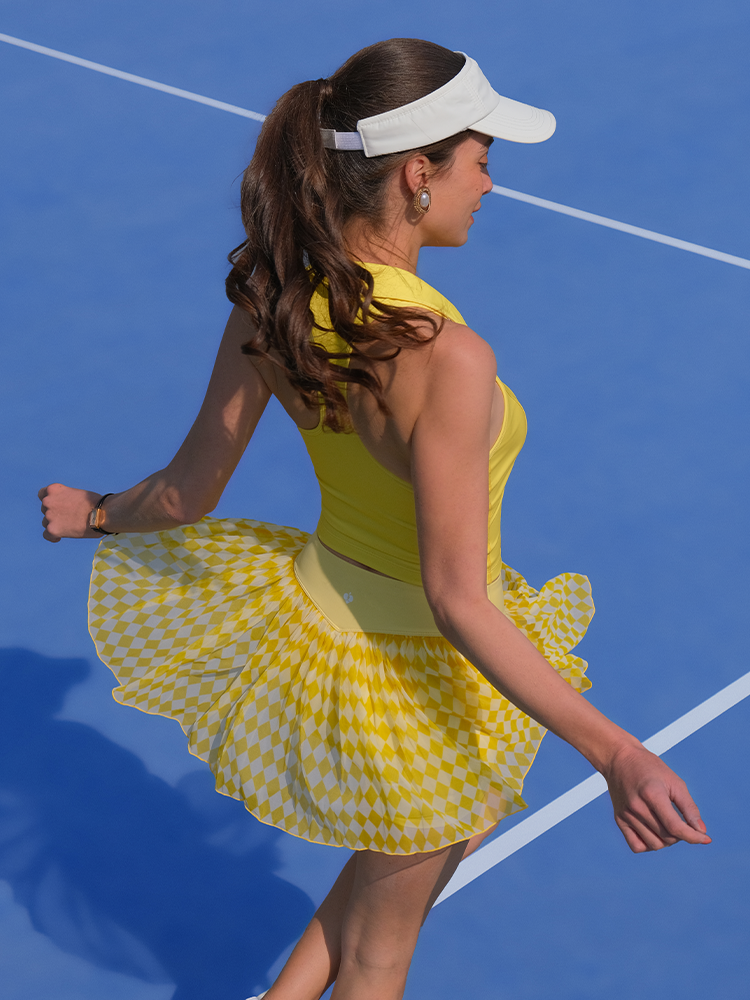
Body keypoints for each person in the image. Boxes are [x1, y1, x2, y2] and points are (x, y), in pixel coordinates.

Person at [39, 38, 710, 1000]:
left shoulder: (272, 297)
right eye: (482, 160)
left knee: (446, 824)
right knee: (377, 960)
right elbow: (457, 601)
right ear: (417, 174)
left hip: (323, 622)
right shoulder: (449, 357)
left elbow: (187, 493)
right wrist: (618, 753)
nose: (492, 184)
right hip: (414, 674)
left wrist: (97, 513)